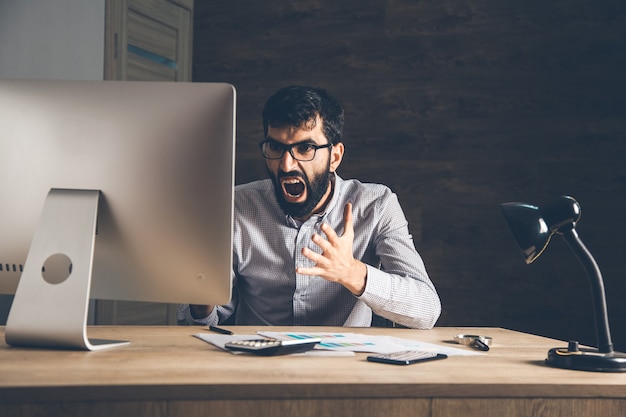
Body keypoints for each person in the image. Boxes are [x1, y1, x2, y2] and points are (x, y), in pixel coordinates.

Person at [177, 85, 441, 328]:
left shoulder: (376, 205)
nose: (286, 165)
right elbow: (198, 325)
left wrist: (352, 272)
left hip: (343, 368)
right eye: (275, 147)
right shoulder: (234, 206)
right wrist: (201, 297)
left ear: (334, 156)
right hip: (257, 365)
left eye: (305, 148)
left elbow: (426, 310)